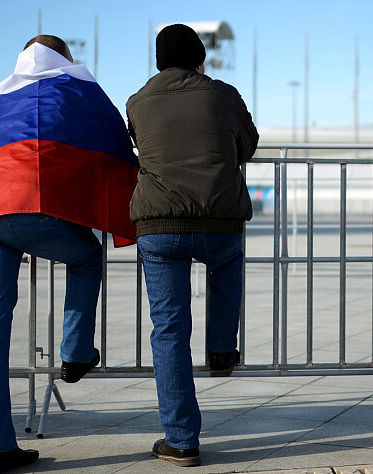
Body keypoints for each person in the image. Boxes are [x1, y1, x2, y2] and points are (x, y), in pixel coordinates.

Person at [0, 35, 137, 473]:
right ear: (65, 59)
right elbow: (111, 146)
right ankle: (75, 353)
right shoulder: (74, 89)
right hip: (33, 211)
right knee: (87, 256)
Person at [126, 23, 259, 467]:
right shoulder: (223, 93)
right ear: (200, 59)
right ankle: (222, 349)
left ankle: (181, 440)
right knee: (226, 266)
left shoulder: (138, 102)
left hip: (159, 225)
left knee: (168, 330)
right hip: (220, 218)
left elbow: (141, 148)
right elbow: (249, 146)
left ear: (159, 62)